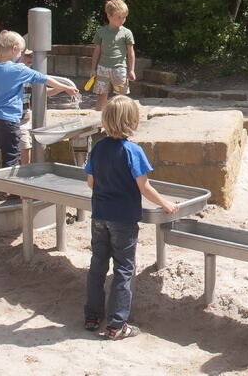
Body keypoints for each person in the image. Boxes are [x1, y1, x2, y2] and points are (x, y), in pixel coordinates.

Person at [84, 95, 178, 340]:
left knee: (97, 265)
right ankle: (117, 324)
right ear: (132, 121)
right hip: (123, 219)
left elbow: (90, 182)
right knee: (124, 269)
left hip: (99, 216)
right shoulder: (132, 151)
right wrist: (166, 203)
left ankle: (92, 316)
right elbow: (144, 187)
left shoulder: (98, 147)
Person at [0, 31, 78, 200]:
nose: (21, 55)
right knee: (11, 154)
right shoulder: (18, 69)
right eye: (21, 52)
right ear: (14, 49)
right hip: (9, 120)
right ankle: (7, 188)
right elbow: (43, 79)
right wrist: (66, 87)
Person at [90, 0, 136, 111]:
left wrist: (131, 70)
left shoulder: (127, 33)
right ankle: (100, 120)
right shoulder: (101, 32)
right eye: (119, 17)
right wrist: (93, 69)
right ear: (109, 16)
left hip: (120, 69)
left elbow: (131, 52)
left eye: (124, 17)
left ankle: (121, 121)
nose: (122, 20)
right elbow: (97, 51)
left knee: (121, 98)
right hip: (102, 68)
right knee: (101, 95)